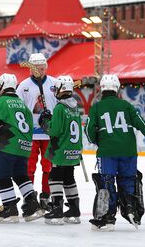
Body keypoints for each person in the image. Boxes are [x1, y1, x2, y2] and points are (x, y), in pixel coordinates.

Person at [86, 74, 145, 231]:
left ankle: (108, 218)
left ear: (102, 89)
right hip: (128, 151)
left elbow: (88, 130)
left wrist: (97, 141)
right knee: (128, 180)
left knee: (107, 182)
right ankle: (130, 209)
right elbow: (141, 123)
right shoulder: (126, 105)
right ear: (117, 88)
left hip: (107, 152)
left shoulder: (97, 107)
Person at [0, 73, 42, 223]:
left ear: (1, 86)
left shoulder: (0, 101)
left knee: (1, 175)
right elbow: (29, 125)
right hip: (24, 146)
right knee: (20, 175)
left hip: (8, 144)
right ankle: (32, 203)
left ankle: (9, 208)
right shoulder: (22, 104)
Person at [38, 75, 83, 225]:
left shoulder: (60, 107)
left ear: (60, 89)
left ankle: (57, 208)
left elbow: (54, 131)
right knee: (69, 178)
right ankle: (74, 209)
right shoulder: (75, 107)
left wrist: (45, 122)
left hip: (61, 149)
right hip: (73, 149)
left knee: (54, 178)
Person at [16, 53, 58, 210]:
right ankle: (29, 197)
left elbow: (61, 106)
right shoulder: (23, 86)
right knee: (29, 167)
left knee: (48, 167)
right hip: (30, 133)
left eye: (42, 68)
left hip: (49, 133)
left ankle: (46, 196)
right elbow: (17, 108)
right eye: (36, 69)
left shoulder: (54, 83)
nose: (40, 71)